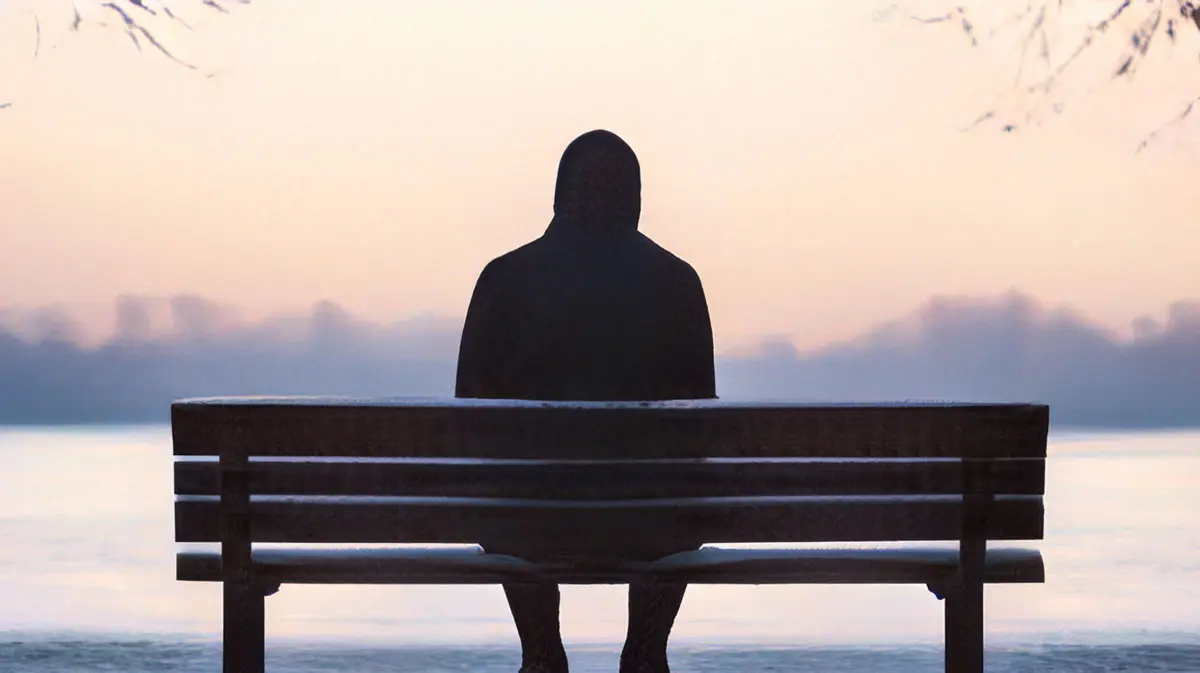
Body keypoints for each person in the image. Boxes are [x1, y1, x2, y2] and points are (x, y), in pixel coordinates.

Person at [455, 129, 716, 673]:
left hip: (529, 523)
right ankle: (646, 651)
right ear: (637, 200)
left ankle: (541, 652)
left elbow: (468, 424)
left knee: (502, 495)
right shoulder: (678, 284)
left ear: (558, 197)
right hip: (649, 526)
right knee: (683, 499)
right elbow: (700, 433)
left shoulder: (502, 280)